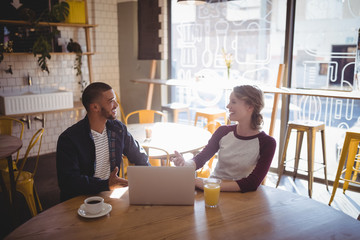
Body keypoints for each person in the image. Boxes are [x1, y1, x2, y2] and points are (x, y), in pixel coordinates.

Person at [172, 85, 276, 192]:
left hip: (240, 197)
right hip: (212, 191)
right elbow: (201, 158)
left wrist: (208, 184)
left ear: (250, 107)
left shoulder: (267, 143)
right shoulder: (223, 132)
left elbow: (252, 183)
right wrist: (185, 164)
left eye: (233, 102)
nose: (227, 106)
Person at [56, 82, 150, 201]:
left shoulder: (118, 129)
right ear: (95, 107)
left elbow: (139, 157)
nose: (116, 105)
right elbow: (68, 182)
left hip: (110, 196)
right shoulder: (69, 139)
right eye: (111, 101)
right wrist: (105, 185)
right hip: (80, 199)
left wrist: (149, 179)